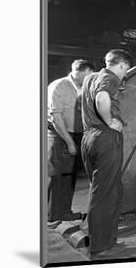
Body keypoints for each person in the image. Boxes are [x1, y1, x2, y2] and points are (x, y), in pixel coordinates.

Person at [81, 49, 133, 259]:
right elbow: (102, 98)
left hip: (88, 139)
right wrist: (110, 121)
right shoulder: (110, 78)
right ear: (121, 65)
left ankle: (105, 240)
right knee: (105, 194)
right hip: (105, 138)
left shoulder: (89, 79)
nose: (125, 74)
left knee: (104, 191)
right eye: (126, 69)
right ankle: (100, 247)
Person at [47, 59, 94, 227]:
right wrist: (69, 142)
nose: (90, 78)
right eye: (88, 75)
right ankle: (54, 215)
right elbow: (56, 117)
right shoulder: (59, 86)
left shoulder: (83, 88)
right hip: (59, 135)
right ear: (80, 71)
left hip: (76, 134)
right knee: (58, 175)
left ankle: (64, 211)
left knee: (70, 175)